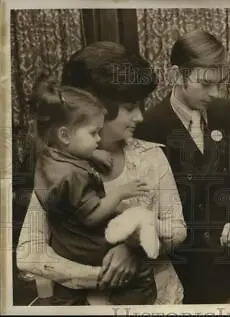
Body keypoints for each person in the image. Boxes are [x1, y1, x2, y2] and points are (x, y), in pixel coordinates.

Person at [16, 41, 187, 305]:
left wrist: (134, 249)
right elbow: (29, 253)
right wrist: (102, 276)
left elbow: (178, 229)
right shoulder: (56, 169)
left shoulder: (151, 157)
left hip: (157, 300)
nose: (140, 117)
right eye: (130, 108)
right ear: (94, 105)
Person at [134, 30, 230, 304]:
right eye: (206, 84)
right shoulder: (148, 126)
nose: (215, 93)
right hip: (183, 274)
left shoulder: (229, 113)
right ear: (176, 75)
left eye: (219, 84)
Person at [31, 78, 157, 305]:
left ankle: (67, 302)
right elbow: (92, 216)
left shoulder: (46, 157)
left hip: (63, 244)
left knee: (68, 295)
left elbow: (67, 155)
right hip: (87, 247)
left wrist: (91, 153)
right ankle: (131, 304)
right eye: (93, 134)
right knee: (141, 269)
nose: (99, 140)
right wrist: (120, 193)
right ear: (65, 135)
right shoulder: (75, 176)